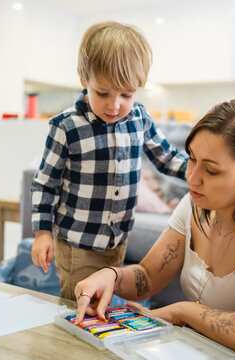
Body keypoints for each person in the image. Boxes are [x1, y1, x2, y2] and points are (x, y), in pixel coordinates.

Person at [75, 98, 235, 359]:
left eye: (212, 171)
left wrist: (182, 312)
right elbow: (147, 275)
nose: (192, 178)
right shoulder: (195, 205)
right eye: (192, 159)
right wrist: (110, 276)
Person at [30, 21, 188, 300]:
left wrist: (199, 171)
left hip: (118, 241)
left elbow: (166, 157)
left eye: (126, 94)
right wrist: (43, 232)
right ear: (83, 79)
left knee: (106, 307)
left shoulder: (139, 118)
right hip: (79, 244)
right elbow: (45, 184)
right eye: (103, 93)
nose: (114, 105)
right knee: (80, 308)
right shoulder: (67, 126)